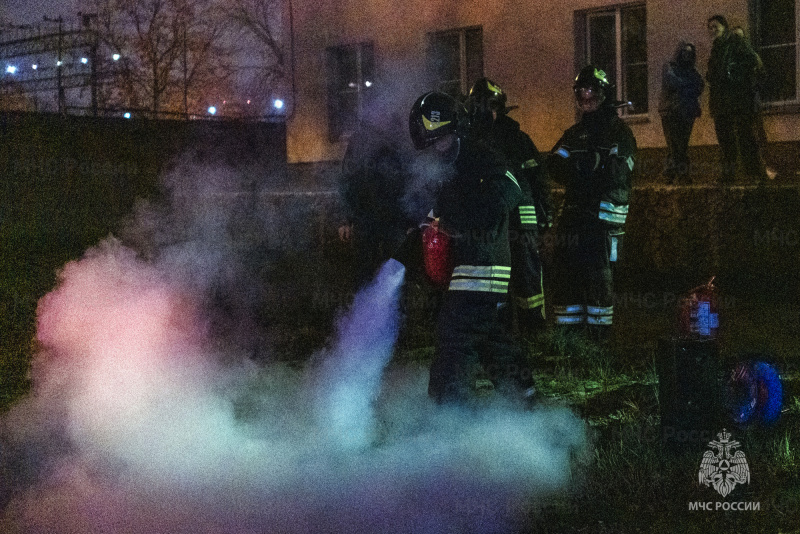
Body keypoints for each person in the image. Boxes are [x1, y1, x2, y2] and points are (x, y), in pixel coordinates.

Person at [408, 91, 535, 404]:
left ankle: (449, 417)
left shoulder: (480, 156)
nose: (437, 147)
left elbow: (512, 189)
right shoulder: (444, 167)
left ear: (455, 130)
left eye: (442, 139)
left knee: (454, 338)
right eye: (432, 142)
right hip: (467, 266)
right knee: (491, 338)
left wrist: (462, 222)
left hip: (483, 264)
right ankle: (524, 401)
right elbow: (438, 213)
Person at [548, 65, 637, 342]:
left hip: (602, 222)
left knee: (599, 281)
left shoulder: (619, 133)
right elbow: (553, 164)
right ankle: (570, 343)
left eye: (591, 92)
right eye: (581, 93)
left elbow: (617, 173)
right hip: (574, 219)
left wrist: (583, 170)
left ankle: (598, 347)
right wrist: (585, 168)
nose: (586, 98)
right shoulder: (574, 134)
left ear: (604, 94)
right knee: (566, 278)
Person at [465, 78, 552, 339]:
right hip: (492, 223)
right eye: (480, 106)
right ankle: (499, 334)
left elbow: (539, 180)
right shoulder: (471, 141)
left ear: (499, 108)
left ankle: (534, 331)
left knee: (527, 276)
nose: (485, 112)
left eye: (490, 106)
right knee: (495, 277)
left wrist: (546, 217)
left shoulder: (518, 139)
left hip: (522, 222)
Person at [338, 103, 414, 288]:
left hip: (394, 219)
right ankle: (364, 310)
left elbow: (410, 180)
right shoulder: (360, 140)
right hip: (366, 218)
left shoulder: (399, 139)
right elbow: (348, 179)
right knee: (364, 273)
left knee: (396, 270)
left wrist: (411, 221)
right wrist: (345, 219)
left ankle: (397, 310)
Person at [706, 14, 767, 182]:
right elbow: (714, 73)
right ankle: (728, 175)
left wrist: (735, 76)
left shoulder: (735, 42)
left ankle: (753, 173)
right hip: (721, 101)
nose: (712, 30)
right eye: (710, 28)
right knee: (725, 141)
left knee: (745, 136)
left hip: (738, 98)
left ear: (724, 26)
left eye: (715, 26)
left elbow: (751, 61)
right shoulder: (716, 48)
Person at [658, 42, 704, 184]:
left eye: (690, 52)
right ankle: (679, 175)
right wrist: (688, 86)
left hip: (687, 111)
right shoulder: (670, 67)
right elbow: (673, 82)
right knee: (675, 144)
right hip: (671, 111)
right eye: (684, 51)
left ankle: (671, 174)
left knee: (681, 144)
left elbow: (699, 85)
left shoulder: (692, 71)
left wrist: (686, 87)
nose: (687, 55)